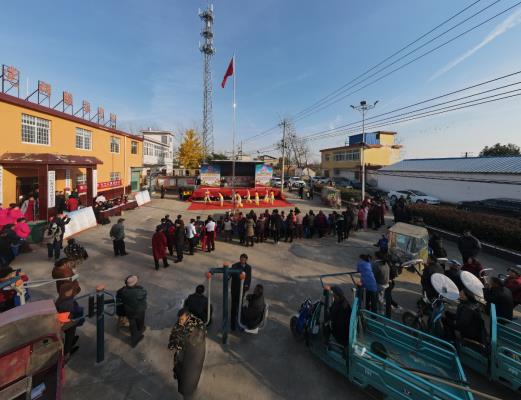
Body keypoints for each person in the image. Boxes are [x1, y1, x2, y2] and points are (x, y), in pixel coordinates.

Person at [168, 308, 206, 397]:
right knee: (188, 384)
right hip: (189, 362)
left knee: (187, 387)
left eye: (182, 319)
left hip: (189, 363)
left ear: (188, 317)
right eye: (179, 319)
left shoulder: (194, 333)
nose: (180, 322)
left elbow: (181, 347)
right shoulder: (194, 324)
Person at [117, 275, 147, 347]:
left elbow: (119, 294)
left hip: (129, 311)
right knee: (140, 322)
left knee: (132, 324)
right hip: (139, 311)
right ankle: (140, 331)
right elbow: (144, 293)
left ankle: (134, 340)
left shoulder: (123, 291)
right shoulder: (140, 291)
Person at [55, 282, 82, 361]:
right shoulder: (70, 303)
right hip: (62, 323)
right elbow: (75, 313)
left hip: (59, 321)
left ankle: (70, 342)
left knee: (72, 324)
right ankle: (67, 351)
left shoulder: (60, 299)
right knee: (72, 326)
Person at [230, 254, 252, 331]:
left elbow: (248, 278)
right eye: (241, 259)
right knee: (233, 305)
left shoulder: (248, 268)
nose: (242, 260)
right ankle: (232, 324)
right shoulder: (235, 266)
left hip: (242, 290)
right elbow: (230, 274)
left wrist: (246, 286)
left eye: (243, 259)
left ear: (246, 260)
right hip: (235, 289)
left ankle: (239, 320)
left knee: (239, 305)